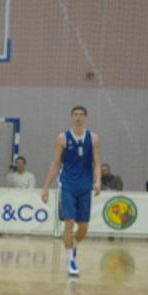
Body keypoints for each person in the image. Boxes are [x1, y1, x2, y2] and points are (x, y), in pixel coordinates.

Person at [41, 105, 101, 277]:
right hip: (67, 185)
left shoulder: (93, 138)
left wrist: (98, 181)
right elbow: (56, 163)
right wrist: (45, 187)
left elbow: (97, 162)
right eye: (75, 114)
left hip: (85, 186)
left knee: (83, 227)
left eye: (81, 114)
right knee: (69, 222)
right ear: (71, 117)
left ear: (86, 117)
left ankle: (73, 246)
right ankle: (71, 261)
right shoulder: (63, 138)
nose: (78, 117)